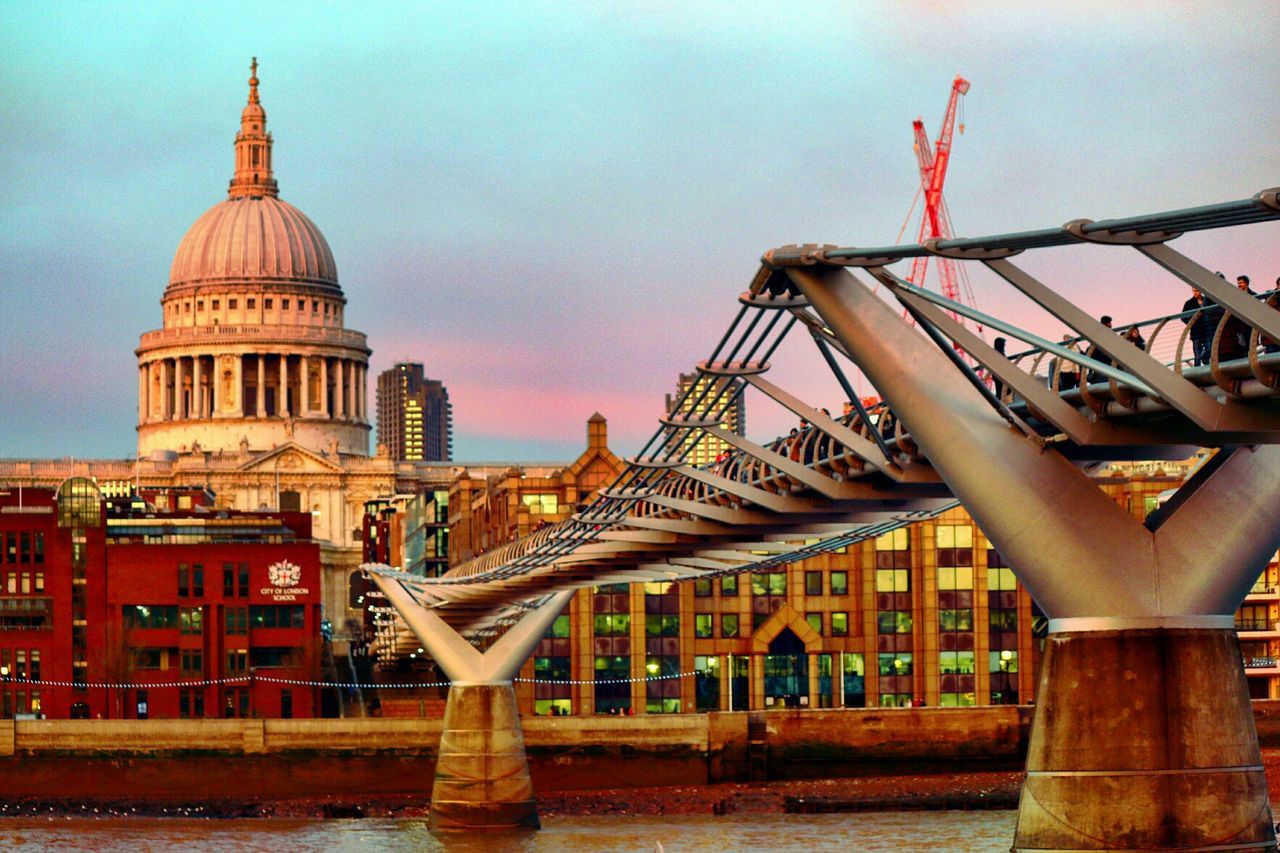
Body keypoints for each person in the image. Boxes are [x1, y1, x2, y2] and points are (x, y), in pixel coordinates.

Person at [1181, 288, 1215, 367]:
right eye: (1194, 291)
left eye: (1197, 291)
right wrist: (1191, 323)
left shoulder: (1206, 301)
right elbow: (1183, 317)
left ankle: (1207, 366)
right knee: (1197, 355)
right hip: (1196, 332)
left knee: (1209, 349)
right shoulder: (1189, 303)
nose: (1195, 293)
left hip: (1206, 330)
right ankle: (1197, 369)